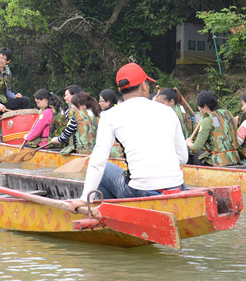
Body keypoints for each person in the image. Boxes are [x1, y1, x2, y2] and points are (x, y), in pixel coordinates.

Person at [68, 63, 188, 208]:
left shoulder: (109, 115)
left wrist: (84, 199)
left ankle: (107, 214)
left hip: (142, 192)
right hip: (178, 188)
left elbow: (97, 162)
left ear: (120, 89)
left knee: (104, 169)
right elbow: (183, 158)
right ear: (144, 85)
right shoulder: (168, 111)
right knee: (105, 186)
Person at [186, 90, 242, 166]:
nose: (198, 109)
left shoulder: (206, 120)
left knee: (196, 156)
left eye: (199, 106)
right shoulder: (227, 114)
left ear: (205, 106)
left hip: (219, 161)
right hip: (234, 158)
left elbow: (197, 147)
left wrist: (188, 143)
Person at [0, 47, 32, 115]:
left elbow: (7, 92)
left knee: (25, 100)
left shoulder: (8, 73)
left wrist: (14, 96)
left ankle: (26, 123)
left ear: (8, 61)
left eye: (2, 58)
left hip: (2, 105)